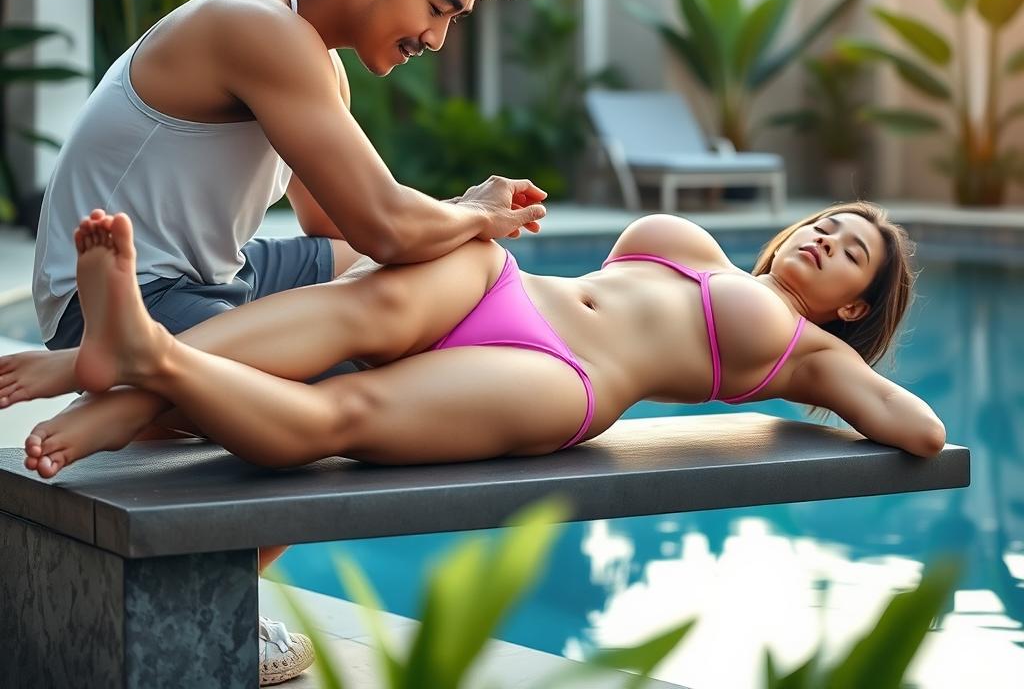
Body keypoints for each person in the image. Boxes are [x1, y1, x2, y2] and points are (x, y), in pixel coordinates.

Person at [26, 0, 542, 685]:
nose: (437, 39)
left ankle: (184, 441)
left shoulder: (311, 56)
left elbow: (328, 221)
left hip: (209, 279)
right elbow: (382, 225)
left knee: (397, 302)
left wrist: (440, 237)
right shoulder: (258, 29)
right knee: (352, 394)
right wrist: (473, 214)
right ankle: (219, 604)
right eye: (442, 9)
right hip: (116, 299)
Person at [5, 201, 946, 486]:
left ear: (855, 308)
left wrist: (853, 387)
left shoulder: (811, 356)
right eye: (828, 222)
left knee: (347, 413)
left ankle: (146, 362)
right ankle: (120, 380)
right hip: (505, 284)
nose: (824, 237)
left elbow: (923, 432)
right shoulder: (700, 253)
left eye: (850, 250)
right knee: (350, 308)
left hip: (559, 376)